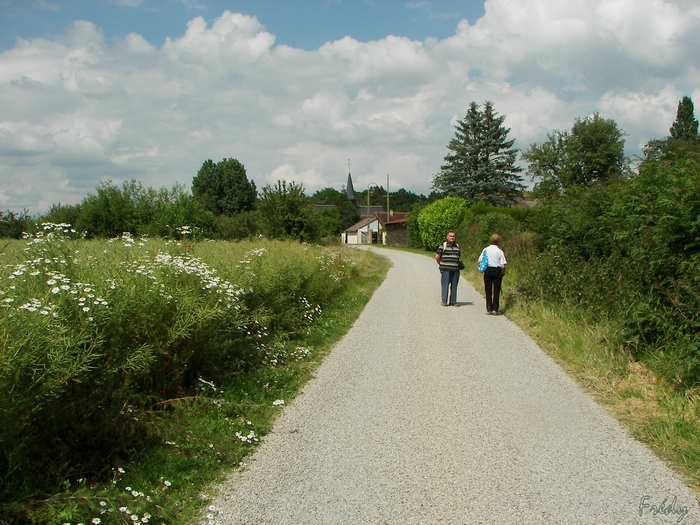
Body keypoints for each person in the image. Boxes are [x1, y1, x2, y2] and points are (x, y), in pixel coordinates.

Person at [479, 234, 507, 315]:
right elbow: (503, 264)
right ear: (498, 241)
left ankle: (489, 308)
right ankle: (495, 308)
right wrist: (503, 272)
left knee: (488, 290)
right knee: (496, 290)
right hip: (497, 271)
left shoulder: (486, 250)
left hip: (488, 270)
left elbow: (480, 260)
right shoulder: (500, 251)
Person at [435, 230, 461, 306]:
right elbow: (437, 257)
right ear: (447, 237)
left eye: (453, 236)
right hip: (446, 269)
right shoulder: (443, 246)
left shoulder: (457, 246)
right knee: (445, 285)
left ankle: (453, 301)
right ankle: (444, 301)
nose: (452, 238)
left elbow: (458, 256)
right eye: (450, 236)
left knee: (454, 286)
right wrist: (441, 265)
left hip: (455, 269)